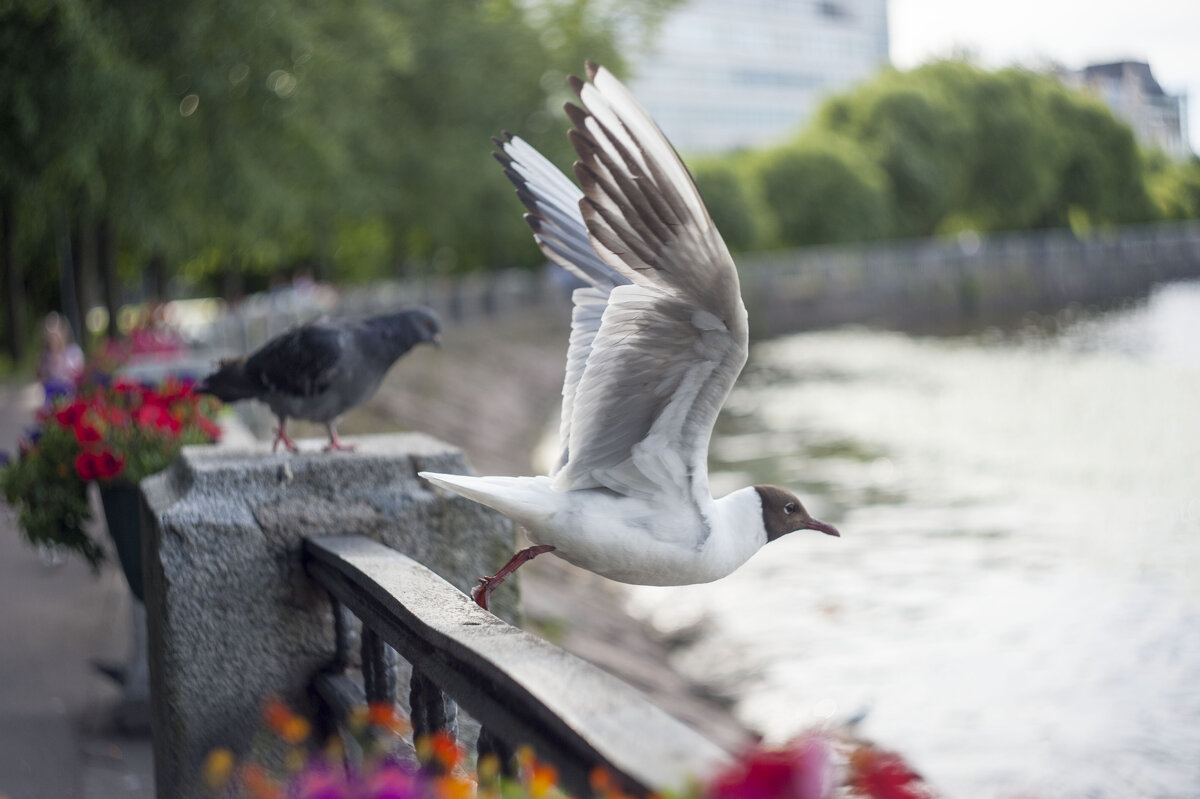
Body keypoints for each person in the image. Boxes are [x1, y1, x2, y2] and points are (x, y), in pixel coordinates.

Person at [37, 312, 84, 402]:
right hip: (50, 394)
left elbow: (78, 375)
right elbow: (41, 377)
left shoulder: (74, 351)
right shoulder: (44, 355)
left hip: (69, 393)